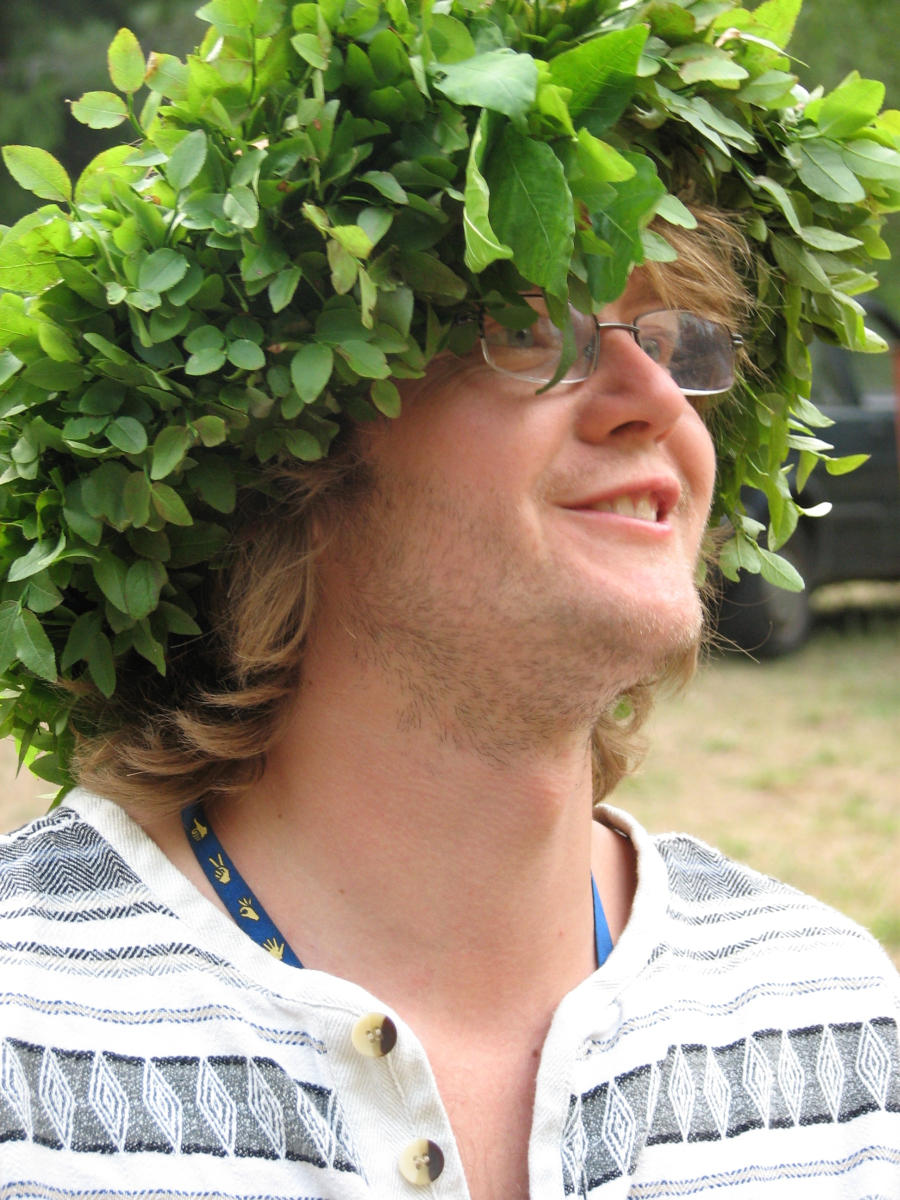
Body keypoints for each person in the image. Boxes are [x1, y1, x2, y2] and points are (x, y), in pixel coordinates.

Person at [1, 1, 898, 1196]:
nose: (657, 400)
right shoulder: (28, 1031)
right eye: (531, 330)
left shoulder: (833, 1017)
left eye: (679, 341)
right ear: (287, 462)